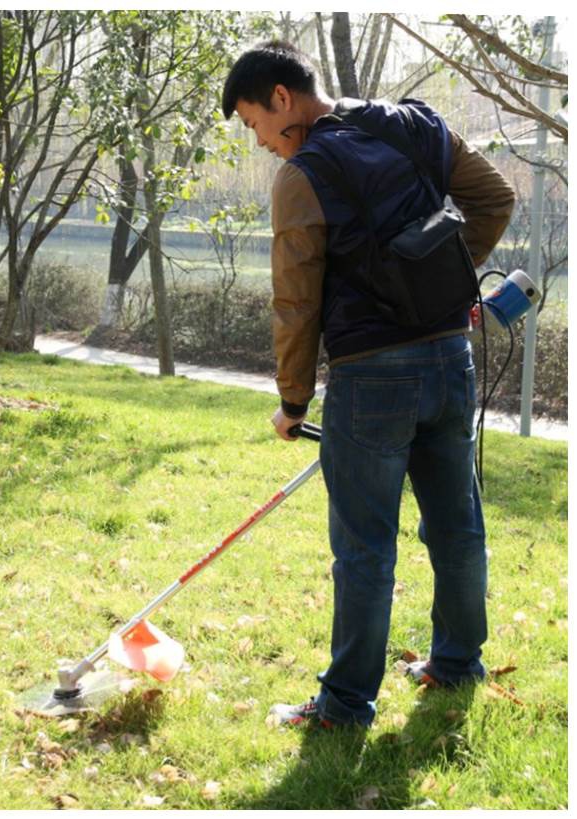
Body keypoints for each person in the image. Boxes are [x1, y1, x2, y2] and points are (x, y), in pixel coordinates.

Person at [221, 41, 515, 729]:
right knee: (457, 525)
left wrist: (293, 402)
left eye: (255, 123)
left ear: (282, 98)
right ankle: (457, 663)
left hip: (371, 376)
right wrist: (442, 283)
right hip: (449, 358)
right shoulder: (416, 123)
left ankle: (345, 705)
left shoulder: (300, 177)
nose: (260, 141)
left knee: (363, 549)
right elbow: (495, 198)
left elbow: (295, 304)